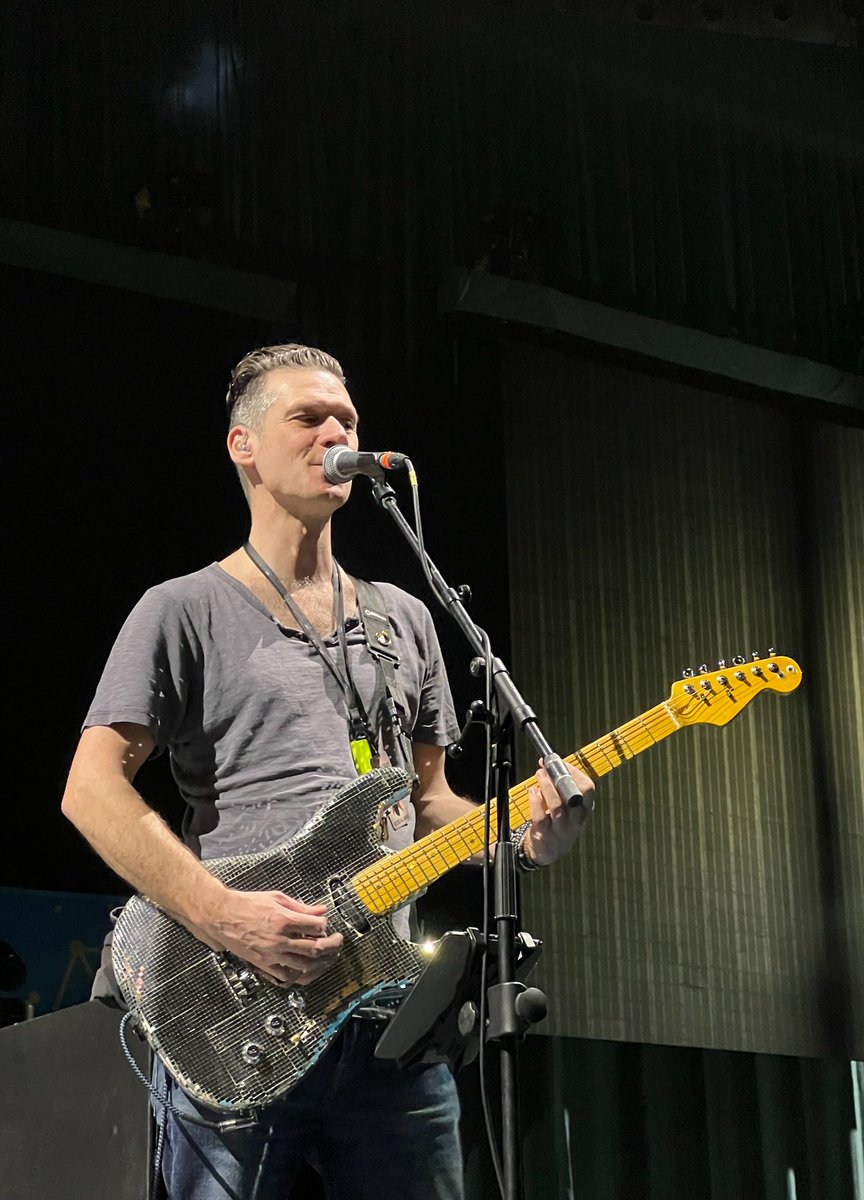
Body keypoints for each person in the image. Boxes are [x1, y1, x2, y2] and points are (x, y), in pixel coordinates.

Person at [61, 343, 594, 1200]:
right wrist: (222, 913)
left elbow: (428, 803)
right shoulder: (182, 609)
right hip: (236, 1005)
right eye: (308, 418)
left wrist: (526, 836)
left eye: (346, 419)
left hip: (388, 1017)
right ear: (243, 446)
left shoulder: (405, 618)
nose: (336, 435)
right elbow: (90, 789)